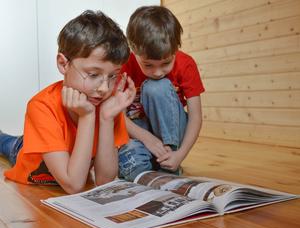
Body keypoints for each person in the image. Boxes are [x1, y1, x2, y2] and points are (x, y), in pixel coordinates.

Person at [0, 10, 136, 194]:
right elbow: (74, 185)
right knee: (9, 144)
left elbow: (104, 180)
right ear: (64, 64)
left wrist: (105, 119)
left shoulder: (106, 106)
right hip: (27, 153)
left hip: (53, 142)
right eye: (94, 75)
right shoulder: (41, 106)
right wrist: (87, 116)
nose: (104, 88)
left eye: (113, 76)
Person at [118, 6, 205, 181]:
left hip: (172, 134)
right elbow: (117, 116)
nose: (158, 72)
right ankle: (156, 165)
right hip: (138, 132)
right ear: (133, 51)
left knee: (156, 87)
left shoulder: (186, 64)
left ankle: (169, 160)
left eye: (166, 63)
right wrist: (147, 138)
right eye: (148, 65)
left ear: (176, 49)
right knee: (133, 171)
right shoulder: (123, 65)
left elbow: (196, 117)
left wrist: (180, 154)